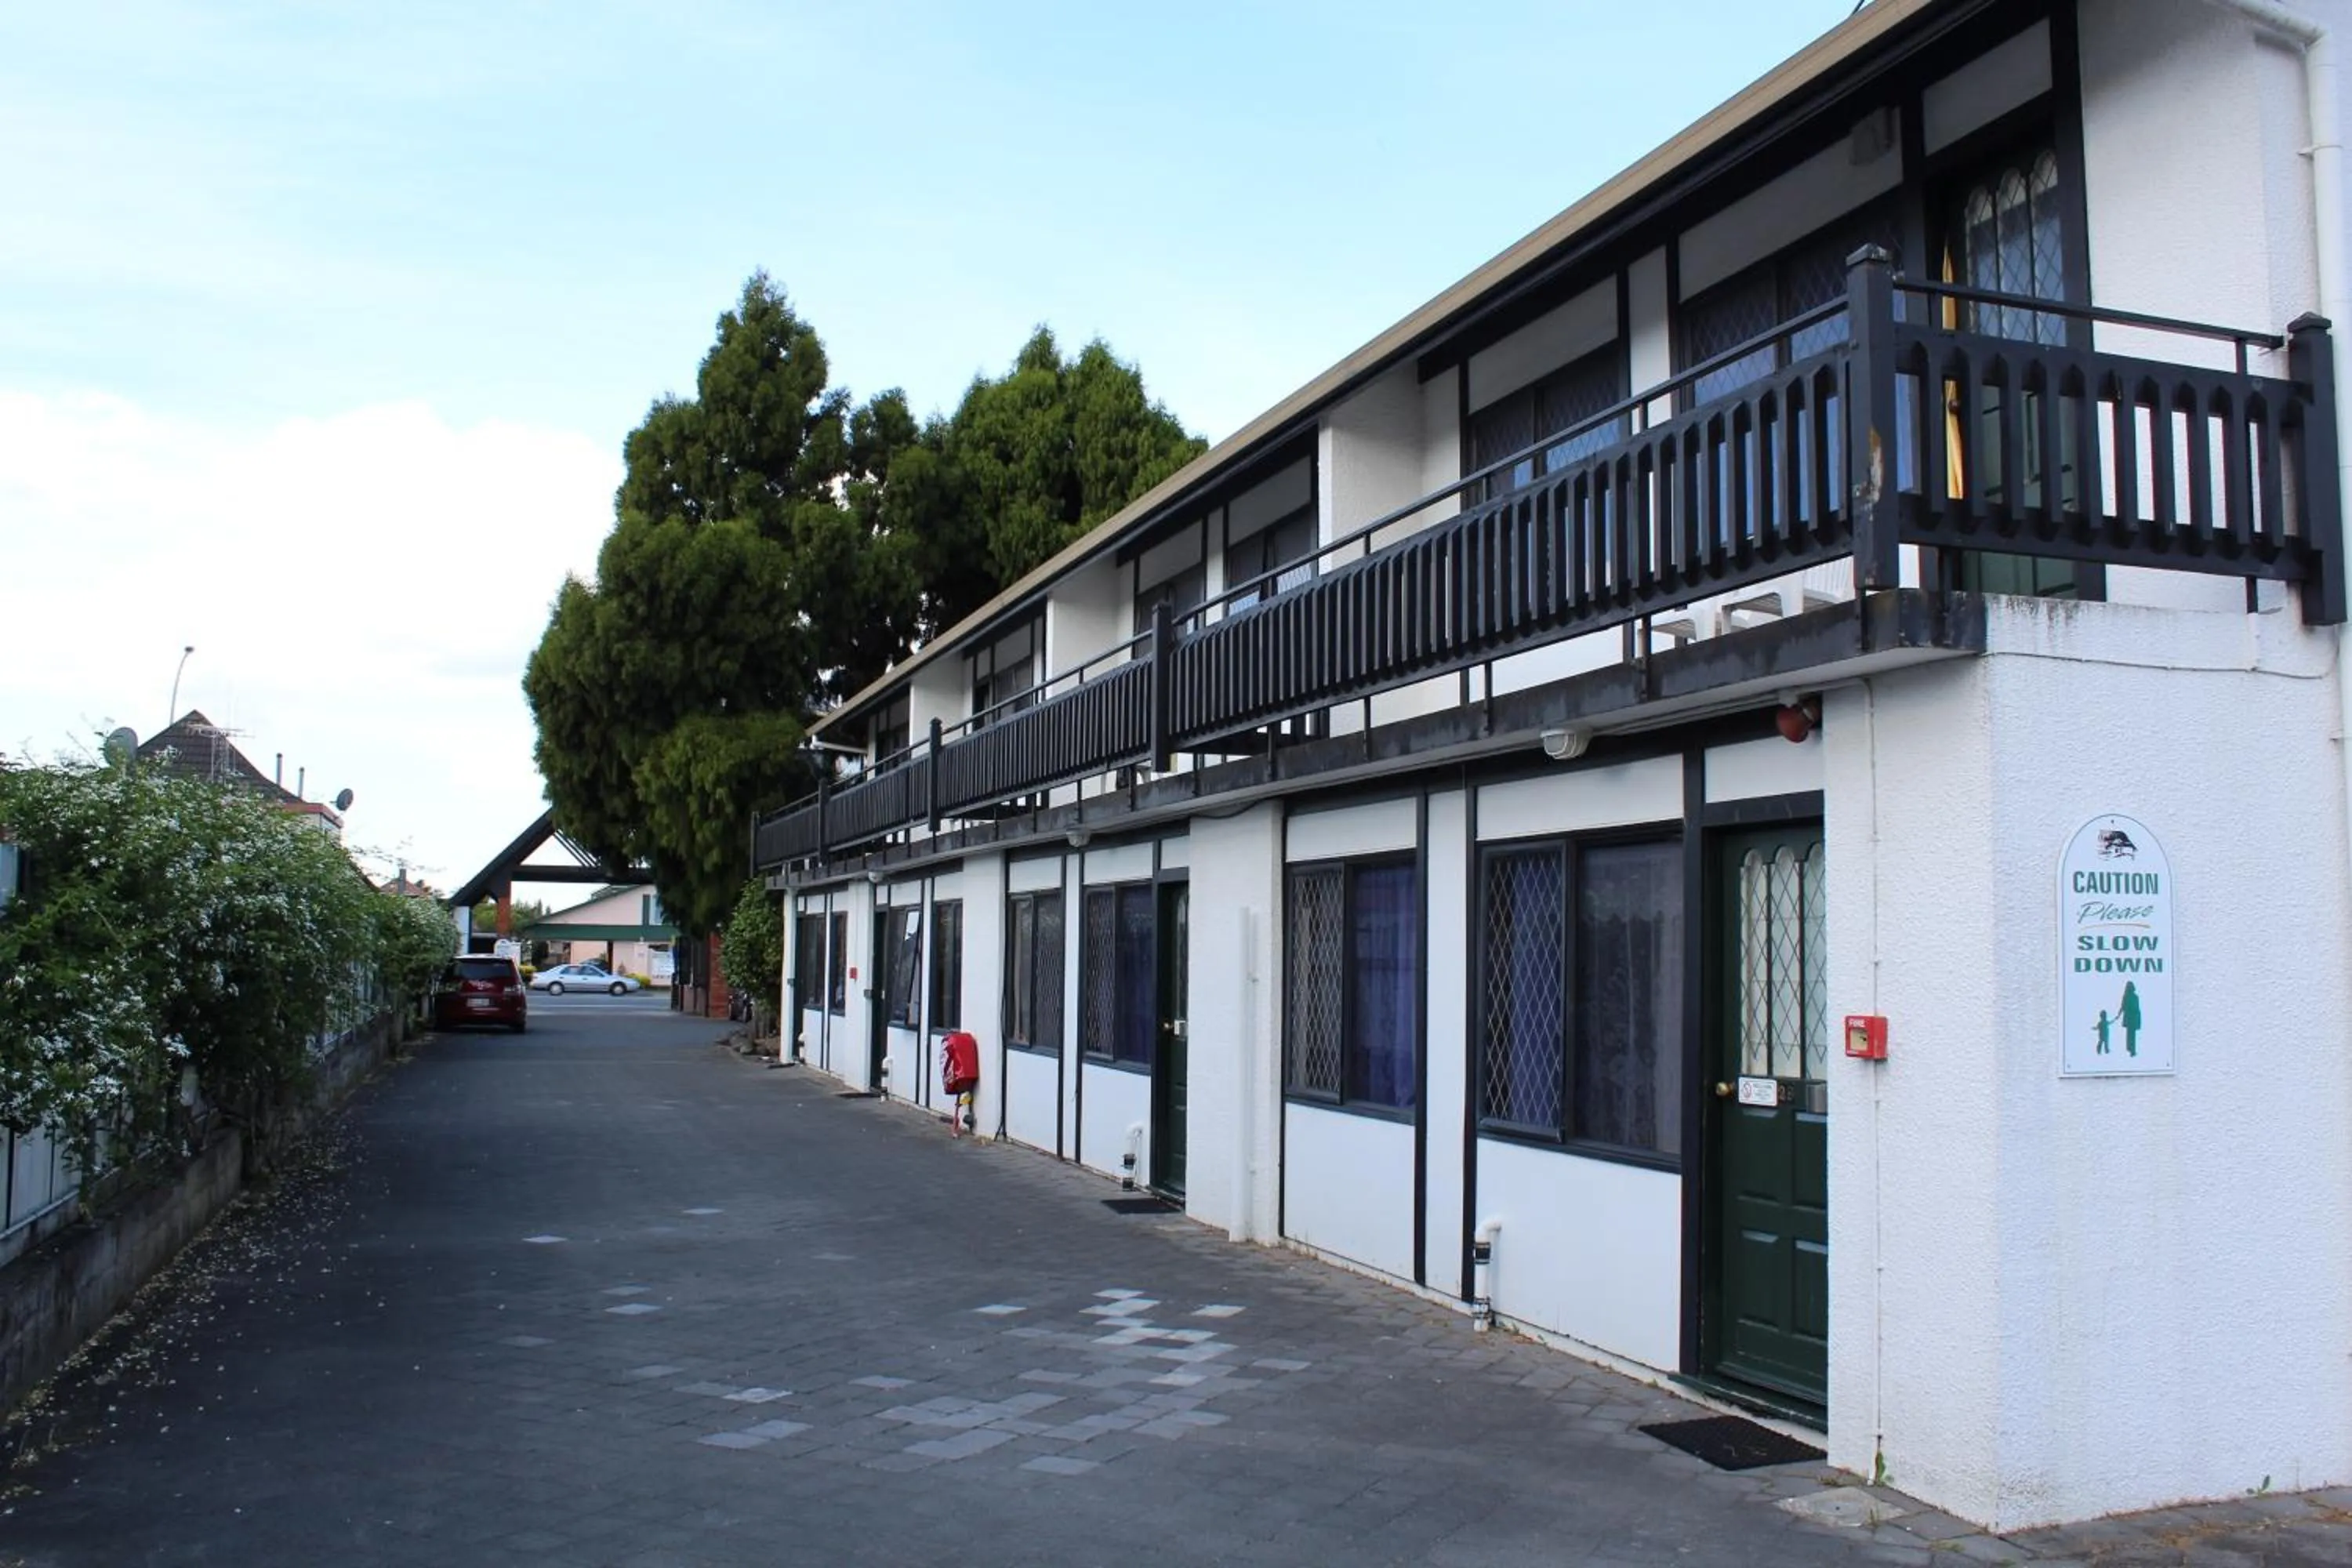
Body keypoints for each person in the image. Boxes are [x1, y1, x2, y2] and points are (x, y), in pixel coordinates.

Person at [940, 1029, 981, 1137]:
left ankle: (957, 1124)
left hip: (961, 1076)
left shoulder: (954, 1041)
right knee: (964, 1092)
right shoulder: (963, 1041)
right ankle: (959, 1121)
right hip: (964, 1076)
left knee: (962, 1093)